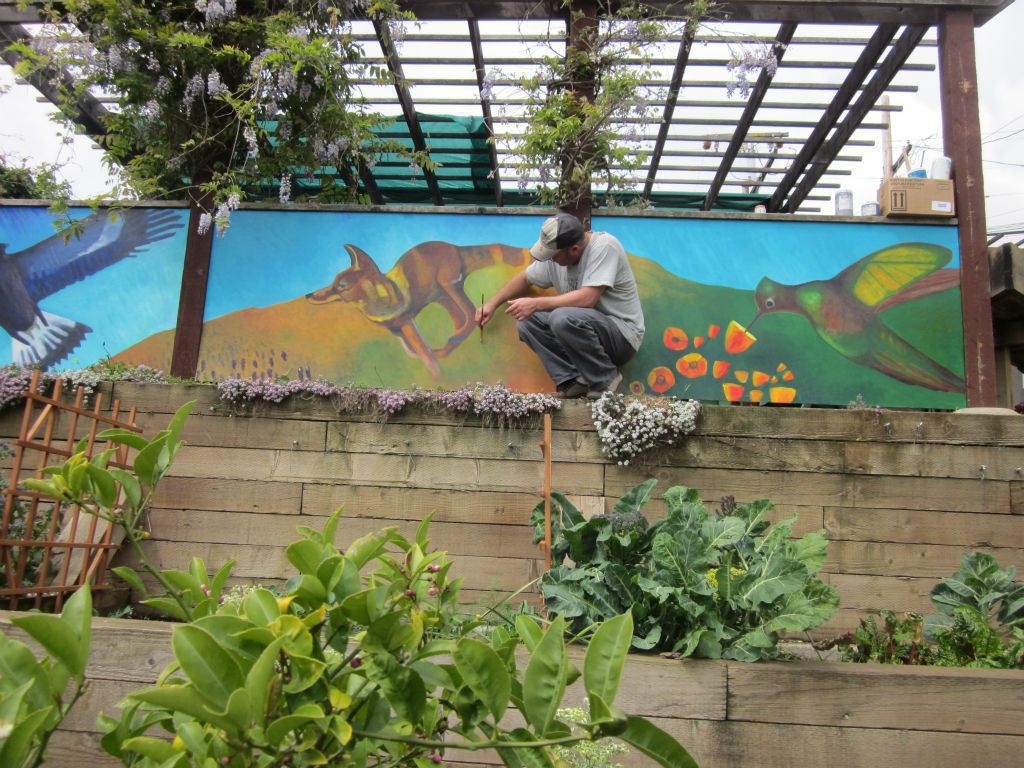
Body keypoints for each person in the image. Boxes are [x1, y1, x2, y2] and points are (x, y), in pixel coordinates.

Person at [476, 211, 644, 399]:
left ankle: (605, 379)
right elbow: (525, 278)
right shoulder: (557, 256)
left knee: (561, 317)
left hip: (622, 337)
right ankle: (574, 381)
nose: (550, 259)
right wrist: (491, 304)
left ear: (574, 249)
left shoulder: (604, 246)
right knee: (528, 322)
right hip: (586, 331)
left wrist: (537, 303)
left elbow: (588, 298)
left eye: (553, 255)